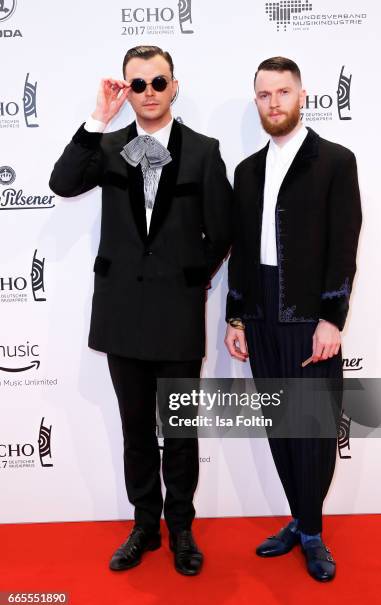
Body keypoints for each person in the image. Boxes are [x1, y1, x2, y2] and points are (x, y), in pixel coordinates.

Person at [50, 45, 232, 576]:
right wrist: (97, 119)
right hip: (122, 313)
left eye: (158, 82)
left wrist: (191, 278)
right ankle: (144, 525)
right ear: (126, 89)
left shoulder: (202, 149)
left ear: (174, 85)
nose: (149, 92)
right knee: (135, 429)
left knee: (178, 430)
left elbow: (221, 230)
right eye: (138, 84)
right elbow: (62, 183)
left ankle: (181, 528)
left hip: (176, 315)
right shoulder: (107, 147)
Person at [225, 56, 362, 582]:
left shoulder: (334, 160)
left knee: (312, 431)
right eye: (264, 94)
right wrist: (236, 318)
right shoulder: (247, 170)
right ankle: (300, 521)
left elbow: (343, 245)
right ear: (256, 100)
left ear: (302, 96)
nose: (274, 102)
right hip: (260, 317)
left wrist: (332, 318)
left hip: (309, 321)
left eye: (283, 92)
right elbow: (240, 247)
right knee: (281, 431)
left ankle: (311, 531)